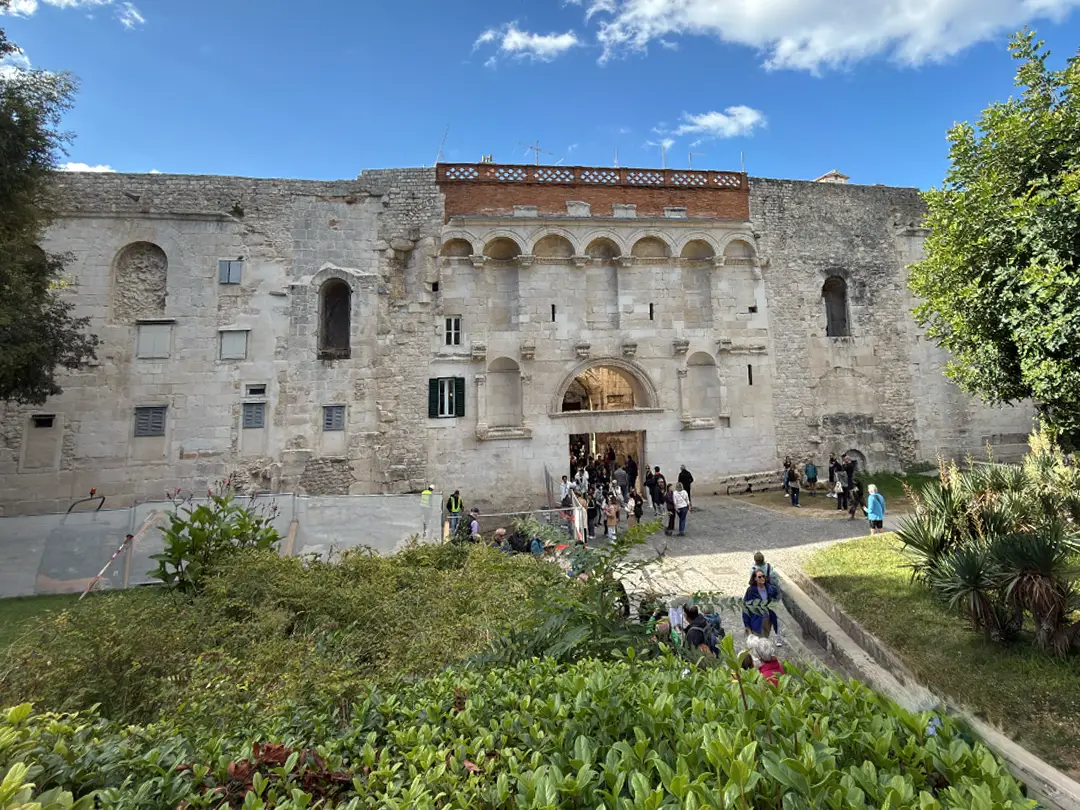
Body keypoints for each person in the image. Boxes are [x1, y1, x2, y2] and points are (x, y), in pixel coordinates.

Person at [743, 569, 783, 646]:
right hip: (756, 620)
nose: (762, 578)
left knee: (765, 641)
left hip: (767, 620)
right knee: (758, 644)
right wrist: (747, 625)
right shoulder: (751, 591)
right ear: (755, 578)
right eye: (759, 577)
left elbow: (777, 597)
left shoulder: (770, 589)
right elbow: (745, 608)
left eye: (763, 576)